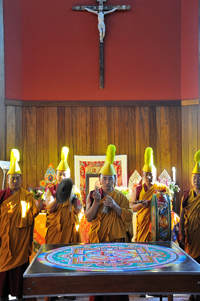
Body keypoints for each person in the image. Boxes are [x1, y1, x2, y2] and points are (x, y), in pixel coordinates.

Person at [85, 144, 133, 301]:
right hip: (98, 243)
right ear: (99, 180)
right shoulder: (93, 196)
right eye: (104, 179)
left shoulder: (121, 197)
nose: (107, 182)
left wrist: (114, 205)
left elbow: (128, 216)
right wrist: (96, 203)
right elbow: (88, 218)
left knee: (117, 279)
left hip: (117, 244)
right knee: (98, 279)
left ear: (115, 179)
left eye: (109, 178)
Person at [0, 149, 39, 301]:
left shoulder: (27, 196)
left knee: (20, 270)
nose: (15, 181)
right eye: (12, 179)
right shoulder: (2, 195)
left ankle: (21, 296)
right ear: (8, 180)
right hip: (5, 240)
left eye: (17, 178)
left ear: (21, 179)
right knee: (3, 270)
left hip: (21, 241)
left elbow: (32, 217)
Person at [130, 147, 170, 242]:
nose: (148, 177)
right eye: (146, 174)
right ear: (142, 175)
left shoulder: (163, 188)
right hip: (143, 224)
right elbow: (131, 206)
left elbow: (169, 205)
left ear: (155, 174)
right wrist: (140, 205)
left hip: (158, 224)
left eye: (151, 174)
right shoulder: (138, 189)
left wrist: (159, 202)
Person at [45, 146, 82, 245]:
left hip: (70, 227)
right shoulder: (51, 190)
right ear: (56, 175)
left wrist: (76, 202)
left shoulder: (75, 190)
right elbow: (49, 208)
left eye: (64, 174)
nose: (62, 177)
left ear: (69, 175)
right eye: (60, 174)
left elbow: (78, 210)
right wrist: (58, 197)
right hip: (56, 228)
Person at [180, 150, 200, 301]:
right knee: (193, 267)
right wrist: (181, 234)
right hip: (191, 238)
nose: (196, 181)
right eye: (194, 178)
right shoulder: (187, 196)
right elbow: (181, 217)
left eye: (199, 178)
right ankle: (193, 294)